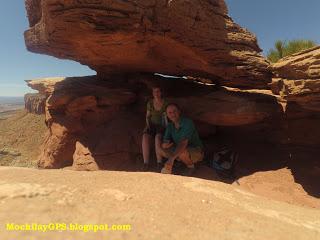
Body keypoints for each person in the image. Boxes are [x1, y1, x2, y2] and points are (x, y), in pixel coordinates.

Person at [156, 103, 204, 175]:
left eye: (174, 111)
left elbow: (183, 143)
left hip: (195, 150)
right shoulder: (170, 126)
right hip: (180, 149)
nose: (172, 114)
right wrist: (164, 145)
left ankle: (190, 166)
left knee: (181, 151)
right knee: (160, 148)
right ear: (167, 115)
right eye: (170, 113)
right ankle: (179, 161)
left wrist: (171, 159)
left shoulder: (188, 122)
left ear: (179, 112)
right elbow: (165, 141)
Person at [142, 85, 168, 171]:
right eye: (154, 92)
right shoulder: (150, 103)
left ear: (161, 93)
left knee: (158, 137)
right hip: (152, 125)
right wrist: (147, 126)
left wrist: (167, 129)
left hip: (162, 125)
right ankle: (146, 163)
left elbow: (166, 118)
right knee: (145, 137)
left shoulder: (165, 103)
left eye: (158, 91)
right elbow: (147, 116)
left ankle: (159, 163)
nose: (156, 94)